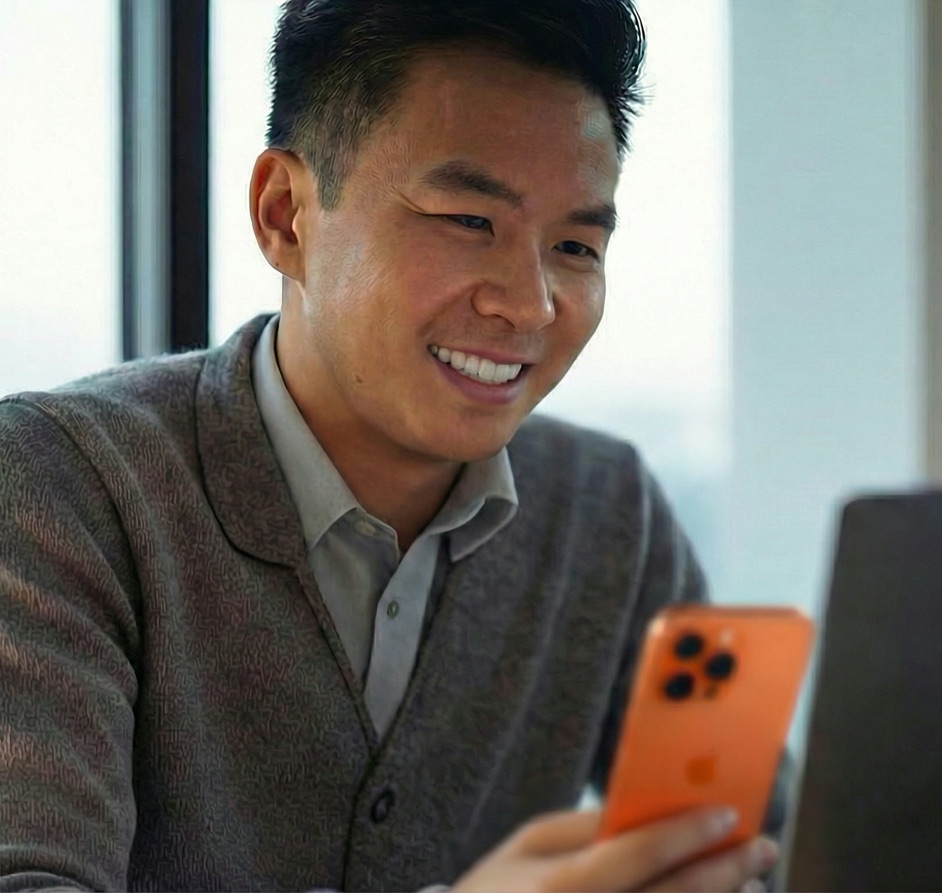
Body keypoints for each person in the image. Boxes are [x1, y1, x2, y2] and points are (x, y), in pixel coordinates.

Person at [0, 2, 782, 891]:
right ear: (286, 215)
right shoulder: (55, 484)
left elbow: (765, 844)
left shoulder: (610, 509)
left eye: (573, 244)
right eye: (467, 221)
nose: (528, 305)